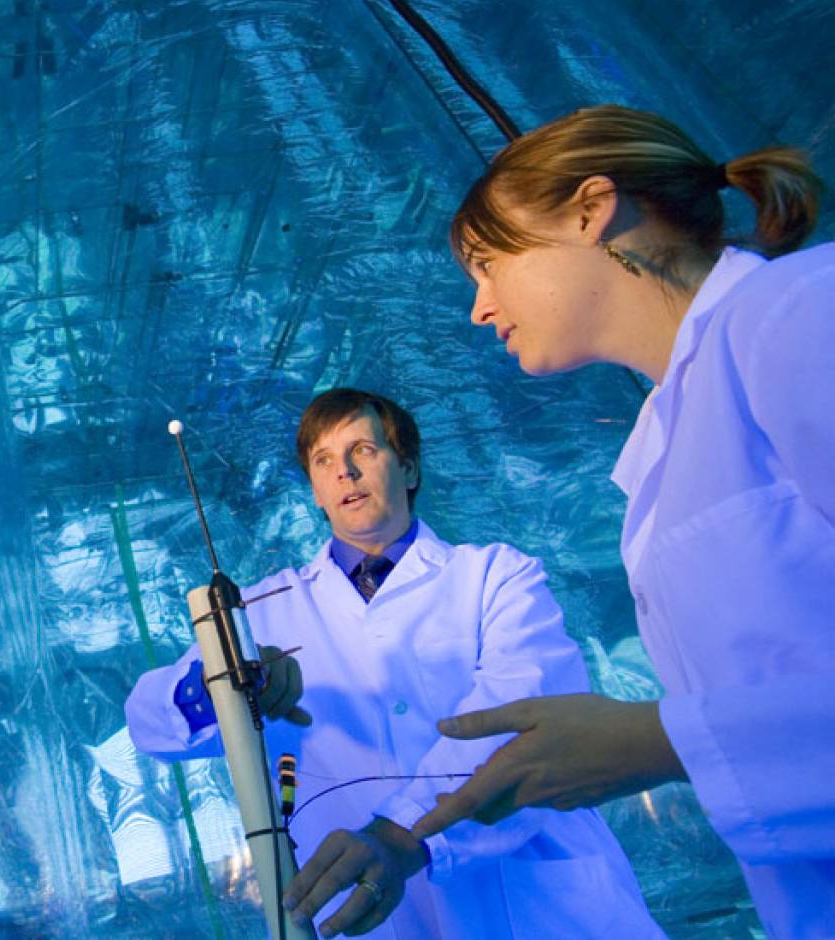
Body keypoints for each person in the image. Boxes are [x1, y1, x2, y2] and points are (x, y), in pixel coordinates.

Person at [409, 104, 834, 938]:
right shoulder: (672, 434)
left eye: (488, 265)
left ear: (591, 210)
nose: (479, 308)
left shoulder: (797, 314)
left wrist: (659, 742)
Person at [124, 388, 661, 939]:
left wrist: (400, 836)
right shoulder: (261, 613)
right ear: (315, 492)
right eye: (324, 461)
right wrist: (223, 684)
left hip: (538, 908)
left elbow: (520, 716)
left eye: (363, 450)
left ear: (408, 468)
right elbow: (148, 723)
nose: (345, 472)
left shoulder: (497, 577)